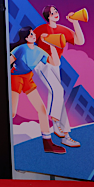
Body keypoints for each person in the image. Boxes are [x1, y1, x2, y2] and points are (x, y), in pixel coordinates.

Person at [33, 5, 85, 148]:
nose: (55, 14)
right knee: (57, 90)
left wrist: (75, 22)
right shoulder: (41, 29)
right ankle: (55, 122)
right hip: (42, 63)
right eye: (52, 13)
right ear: (47, 16)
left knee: (58, 95)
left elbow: (80, 41)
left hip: (55, 64)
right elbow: (29, 43)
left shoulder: (62, 29)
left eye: (56, 11)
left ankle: (66, 136)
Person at [9, 26, 65, 154]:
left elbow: (55, 63)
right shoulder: (21, 49)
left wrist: (52, 45)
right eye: (30, 34)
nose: (33, 35)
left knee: (42, 110)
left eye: (33, 33)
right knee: (12, 112)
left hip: (27, 78)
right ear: (25, 38)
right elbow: (8, 61)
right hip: (15, 78)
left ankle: (48, 143)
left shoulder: (39, 51)